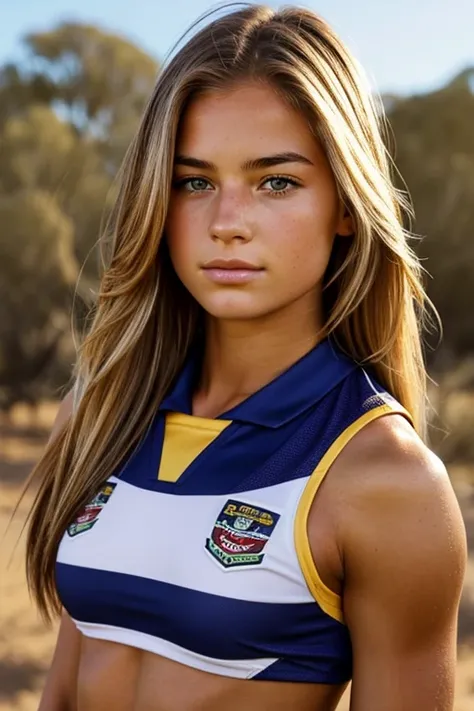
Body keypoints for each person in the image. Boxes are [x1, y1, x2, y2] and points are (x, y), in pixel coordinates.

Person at [24, 4, 466, 711]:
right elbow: (68, 680)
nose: (226, 223)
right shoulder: (97, 415)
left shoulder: (386, 482)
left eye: (276, 181)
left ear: (346, 205)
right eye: (193, 181)